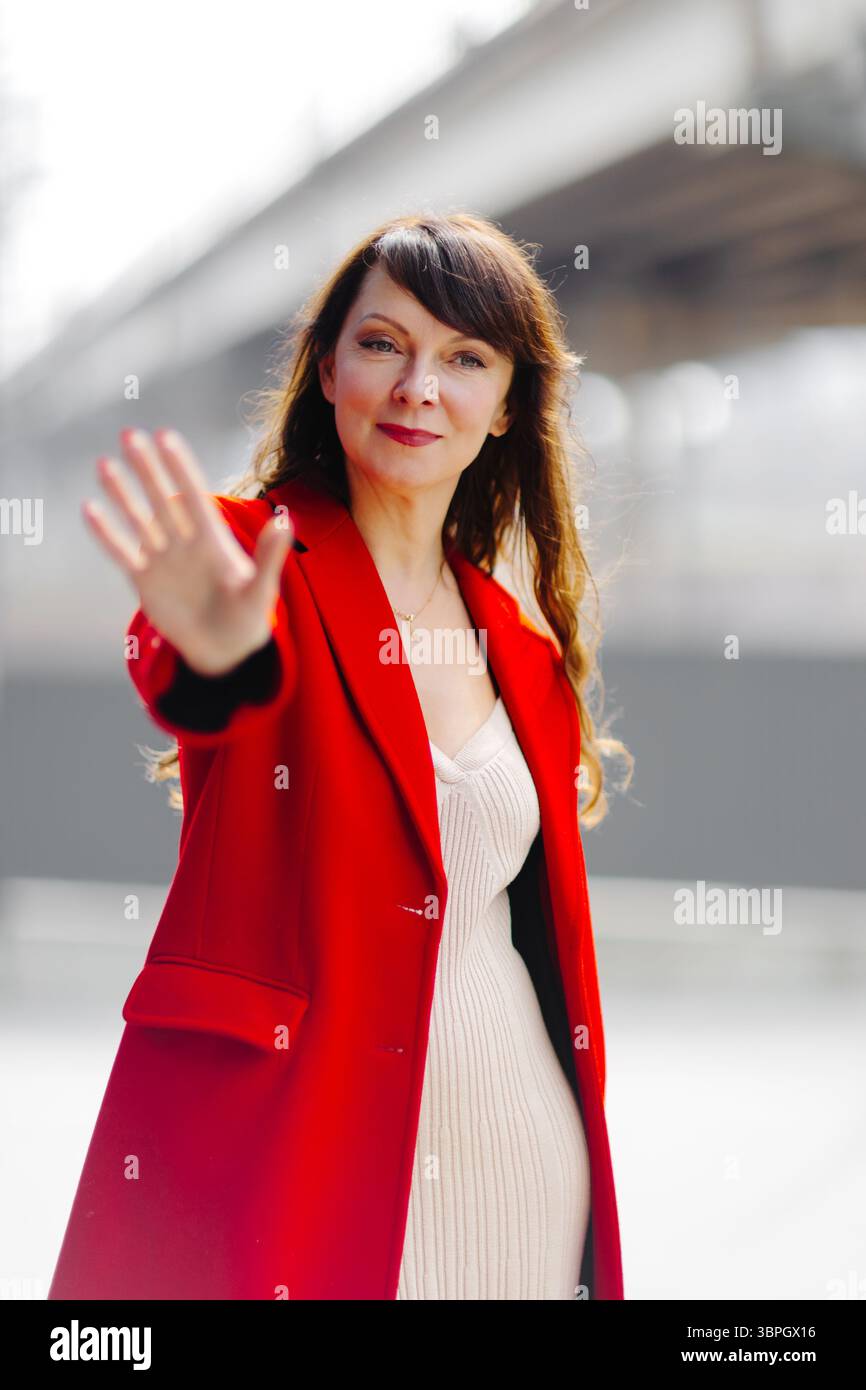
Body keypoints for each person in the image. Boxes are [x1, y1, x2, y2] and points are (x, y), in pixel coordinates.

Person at [49, 211, 632, 1301]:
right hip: (310, 1176)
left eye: (464, 359)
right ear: (327, 368)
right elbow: (199, 669)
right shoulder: (248, 559)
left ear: (505, 405)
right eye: (383, 344)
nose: (419, 386)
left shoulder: (521, 641)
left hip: (524, 1166)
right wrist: (219, 653)